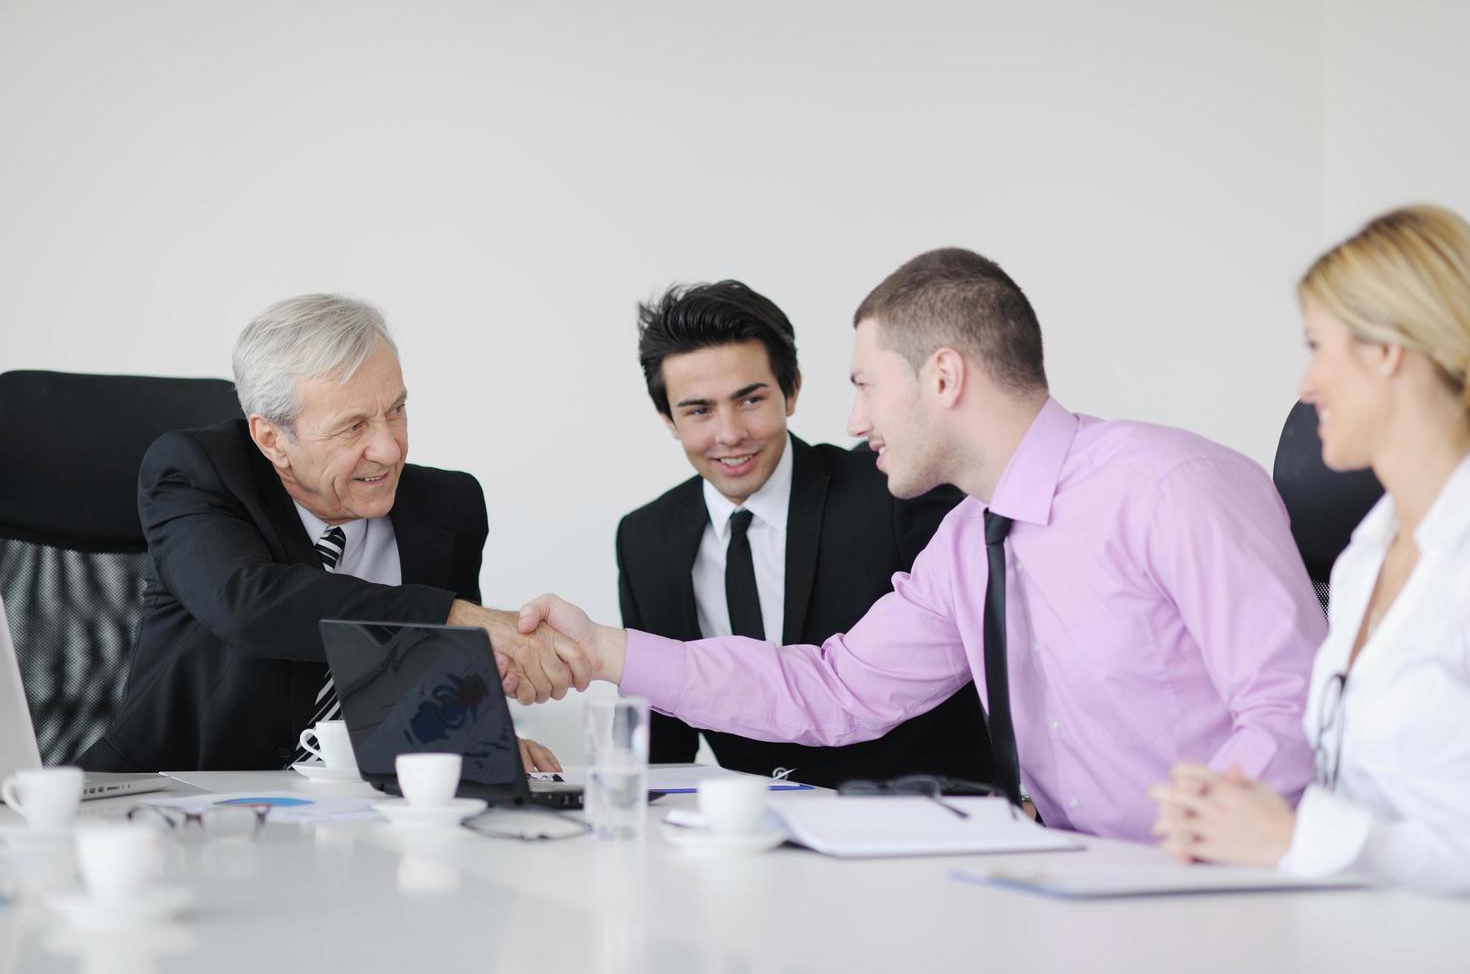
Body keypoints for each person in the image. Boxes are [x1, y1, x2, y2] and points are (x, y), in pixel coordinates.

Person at [516, 248, 1326, 842]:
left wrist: (1180, 849)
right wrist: (606, 651)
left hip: (1206, 894)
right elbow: (831, 690)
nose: (853, 422)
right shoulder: (970, 540)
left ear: (942, 379)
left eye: (866, 386)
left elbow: (1292, 711)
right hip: (1066, 886)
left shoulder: (1169, 484)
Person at [80, 294, 564, 773]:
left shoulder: (448, 507)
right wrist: (451, 617)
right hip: (174, 800)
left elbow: (434, 687)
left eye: (395, 410)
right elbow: (251, 606)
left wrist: (477, 735)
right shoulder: (198, 474)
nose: (390, 449)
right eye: (353, 427)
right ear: (272, 439)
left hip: (354, 810)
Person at [1149, 205, 1470, 894]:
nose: (1305, 384)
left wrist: (1297, 838)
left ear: (1387, 349)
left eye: (1318, 346)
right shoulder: (1362, 562)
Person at [618, 280, 991, 788]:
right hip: (748, 834)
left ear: (791, 390)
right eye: (699, 410)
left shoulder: (894, 491)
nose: (729, 434)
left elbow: (997, 658)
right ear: (668, 418)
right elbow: (662, 742)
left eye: (749, 400)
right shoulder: (644, 538)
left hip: (912, 824)